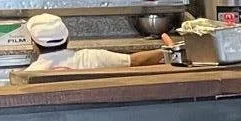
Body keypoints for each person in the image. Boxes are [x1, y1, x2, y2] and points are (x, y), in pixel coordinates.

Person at [23, 13, 164, 73]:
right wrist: (169, 50)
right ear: (68, 39)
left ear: (34, 44)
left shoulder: (29, 74)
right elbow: (136, 61)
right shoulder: (93, 57)